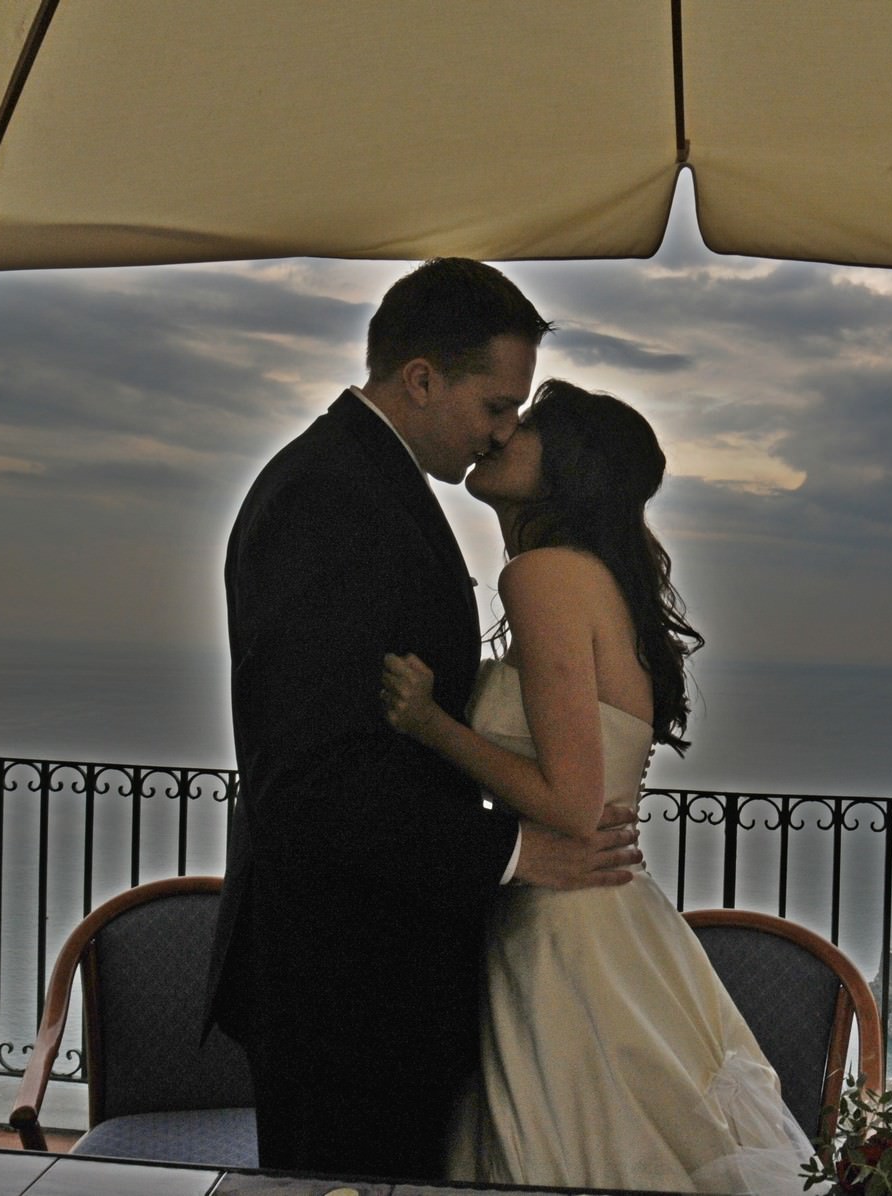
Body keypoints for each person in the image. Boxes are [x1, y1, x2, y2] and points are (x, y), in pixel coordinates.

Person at [206, 259, 644, 1181]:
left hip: (379, 977)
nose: (502, 431)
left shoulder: (362, 485)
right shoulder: (328, 500)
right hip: (343, 984)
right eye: (494, 405)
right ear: (420, 379)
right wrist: (520, 855)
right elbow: (314, 785)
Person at [381, 380, 818, 1192]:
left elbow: (573, 804)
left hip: (568, 927)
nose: (505, 432)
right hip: (607, 912)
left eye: (531, 423)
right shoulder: (590, 576)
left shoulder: (544, 576)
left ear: (570, 464)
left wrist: (431, 724)